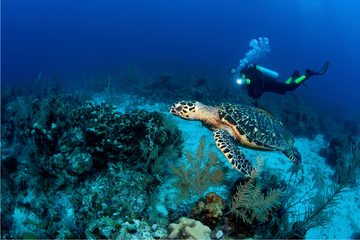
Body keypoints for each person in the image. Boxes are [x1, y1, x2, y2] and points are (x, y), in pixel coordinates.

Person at [232, 62, 329, 101]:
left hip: (267, 82)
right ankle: (294, 75)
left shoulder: (248, 76)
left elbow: (257, 92)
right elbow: (255, 92)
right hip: (266, 86)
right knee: (283, 91)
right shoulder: (245, 79)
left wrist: (253, 93)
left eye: (234, 73)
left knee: (290, 88)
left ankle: (308, 74)